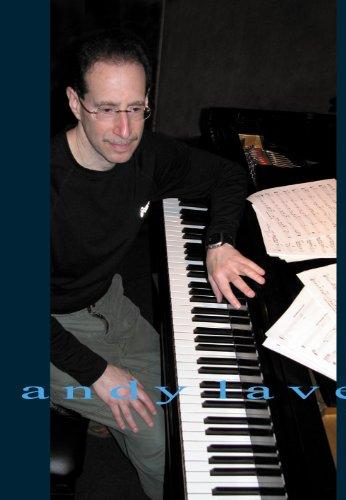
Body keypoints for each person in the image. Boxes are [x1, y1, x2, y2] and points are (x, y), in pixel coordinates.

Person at [51, 29, 265, 500]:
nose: (125, 130)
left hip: (105, 300)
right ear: (74, 102)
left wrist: (219, 241)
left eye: (135, 108)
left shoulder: (145, 153)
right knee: (164, 439)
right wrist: (97, 372)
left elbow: (228, 175)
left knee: (188, 388)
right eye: (107, 109)